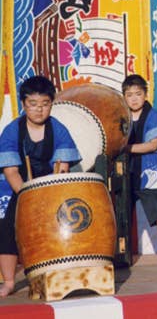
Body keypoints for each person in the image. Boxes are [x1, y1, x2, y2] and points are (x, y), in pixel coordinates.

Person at [0, 76, 81, 297]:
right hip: (21, 188)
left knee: (61, 227)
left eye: (45, 104)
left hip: (52, 187)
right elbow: (11, 171)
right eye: (33, 104)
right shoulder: (12, 131)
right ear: (24, 104)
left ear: (51, 103)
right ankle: (8, 281)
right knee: (8, 230)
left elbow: (62, 167)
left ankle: (59, 274)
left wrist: (49, 197)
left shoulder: (58, 129)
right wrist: (29, 198)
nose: (39, 110)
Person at [121, 74, 157, 255]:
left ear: (145, 94)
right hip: (125, 172)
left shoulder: (153, 116)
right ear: (124, 97)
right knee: (122, 215)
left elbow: (152, 145)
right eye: (129, 95)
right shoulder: (121, 117)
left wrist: (125, 148)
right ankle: (121, 256)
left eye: (138, 94)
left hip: (149, 172)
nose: (134, 98)